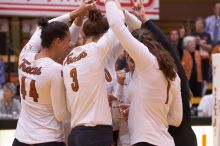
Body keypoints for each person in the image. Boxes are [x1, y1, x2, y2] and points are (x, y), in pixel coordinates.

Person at [105, 1, 183, 146]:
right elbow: (176, 119)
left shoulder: (146, 61)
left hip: (145, 142)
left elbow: (116, 26)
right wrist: (138, 110)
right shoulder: (173, 74)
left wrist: (110, 2)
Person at [13, 3, 91, 146]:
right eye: (68, 42)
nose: (71, 45)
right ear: (57, 42)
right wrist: (83, 103)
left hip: (20, 139)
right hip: (47, 139)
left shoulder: (25, 54)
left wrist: (76, 15)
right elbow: (61, 115)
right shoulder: (54, 70)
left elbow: (44, 27)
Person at [131, 2, 197, 146]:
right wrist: (145, 19)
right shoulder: (169, 74)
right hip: (181, 139)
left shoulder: (174, 74)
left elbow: (166, 44)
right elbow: (166, 44)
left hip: (176, 139)